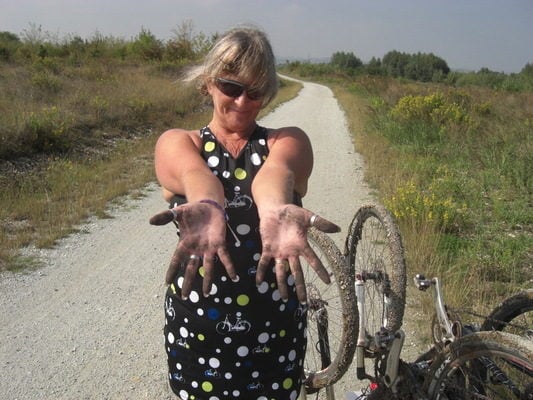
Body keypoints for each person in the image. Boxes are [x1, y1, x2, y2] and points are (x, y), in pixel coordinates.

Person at [149, 25, 340, 400]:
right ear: (207, 83)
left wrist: (272, 209)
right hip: (200, 328)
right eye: (231, 87)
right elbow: (197, 175)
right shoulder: (178, 142)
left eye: (254, 92)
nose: (241, 101)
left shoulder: (288, 140)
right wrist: (207, 205)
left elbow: (275, 175)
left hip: (275, 327)